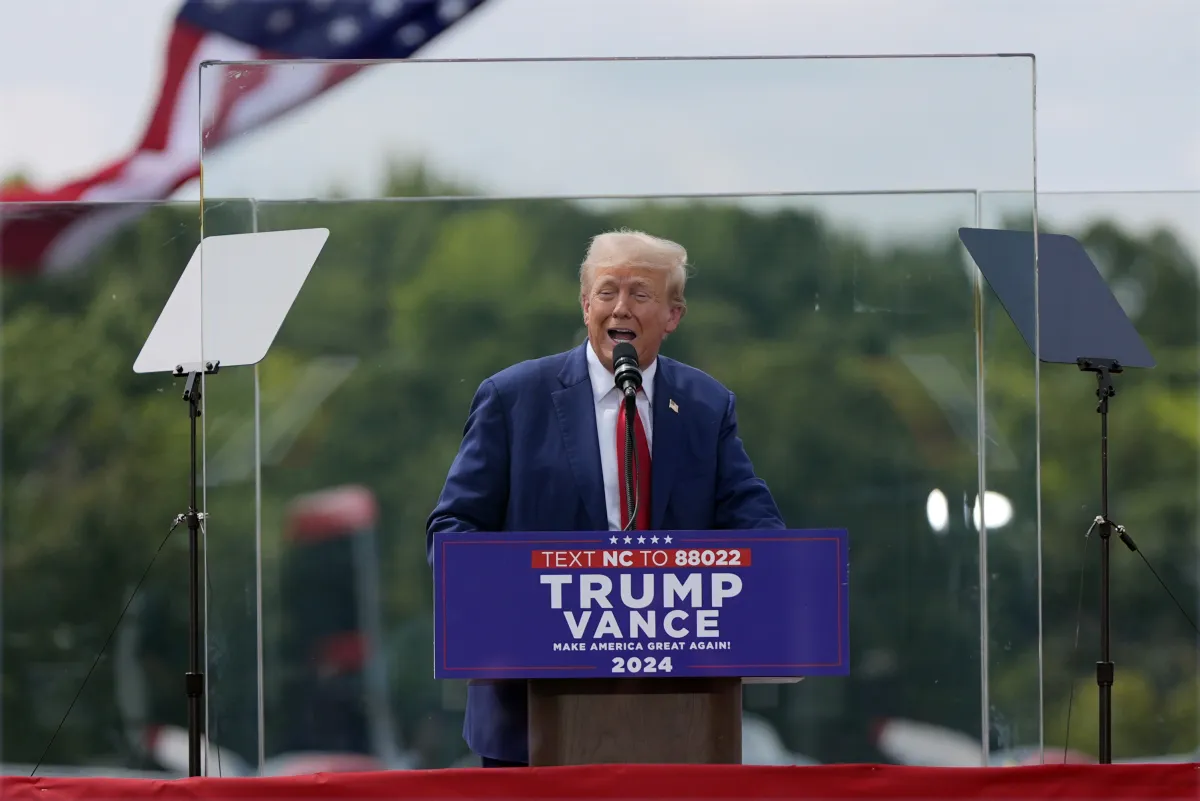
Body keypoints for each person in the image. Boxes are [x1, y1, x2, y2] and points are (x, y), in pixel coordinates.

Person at [427, 229, 785, 767]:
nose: (621, 307)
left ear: (673, 315)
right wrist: (521, 593)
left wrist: (779, 572)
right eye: (606, 291)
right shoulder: (512, 398)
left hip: (677, 716)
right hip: (527, 718)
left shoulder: (707, 405)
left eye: (640, 293)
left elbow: (755, 525)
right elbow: (452, 531)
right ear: (585, 303)